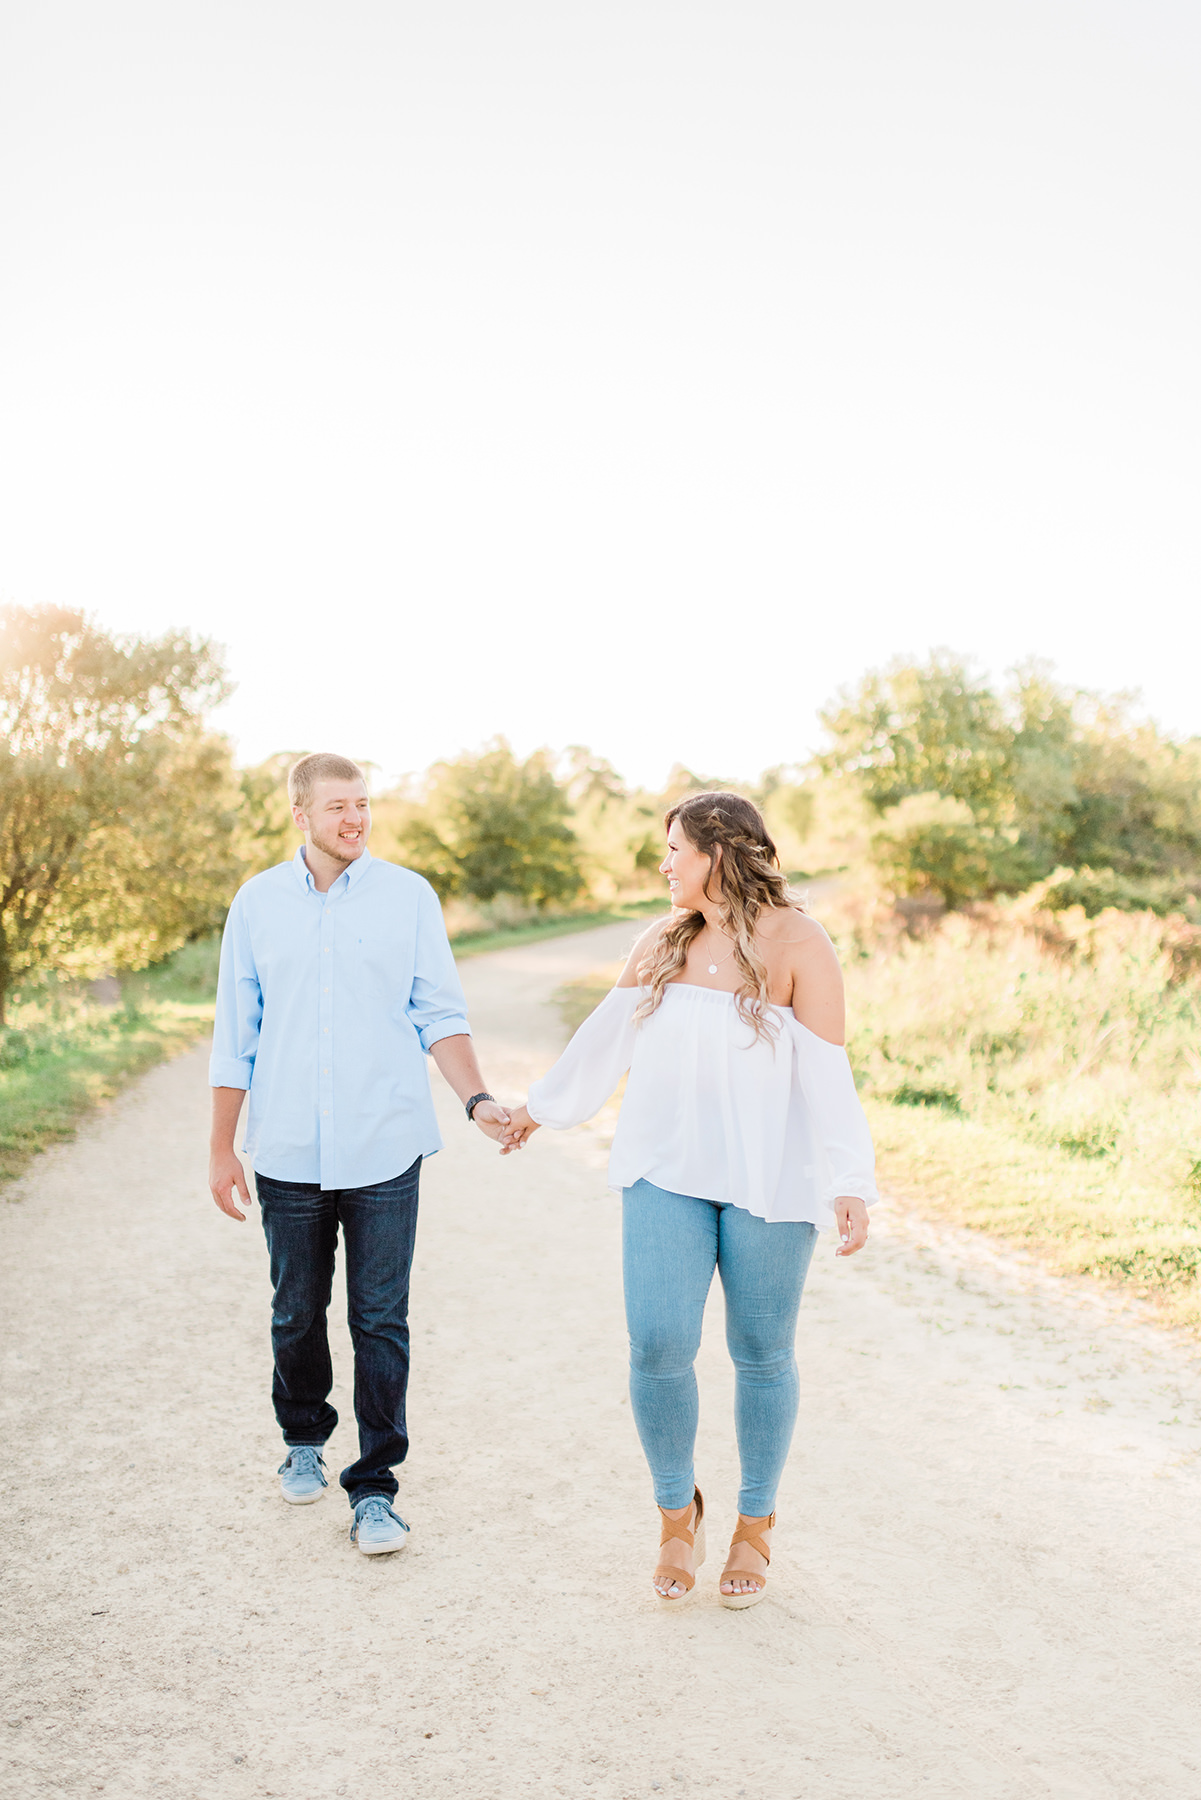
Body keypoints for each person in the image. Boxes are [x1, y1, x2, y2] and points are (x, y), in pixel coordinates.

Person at [500, 791, 876, 1607]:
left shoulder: (799, 943)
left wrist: (848, 1179)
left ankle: (754, 1524)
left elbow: (826, 1073)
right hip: (665, 1169)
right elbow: (602, 1041)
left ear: (720, 852)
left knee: (761, 1351)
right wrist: (537, 1110)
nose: (664, 864)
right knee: (658, 1344)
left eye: (675, 849)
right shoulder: (664, 940)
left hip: (769, 1176)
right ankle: (678, 1512)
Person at [207, 753, 511, 1555]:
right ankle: (303, 1436)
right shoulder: (257, 903)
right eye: (338, 806)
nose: (355, 819)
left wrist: (476, 1100)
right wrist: (220, 1149)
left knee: (380, 1320)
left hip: (385, 1144)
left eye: (364, 805)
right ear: (300, 815)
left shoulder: (409, 897)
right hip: (287, 1149)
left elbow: (438, 1011)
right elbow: (234, 1035)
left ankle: (375, 1487)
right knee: (295, 1311)